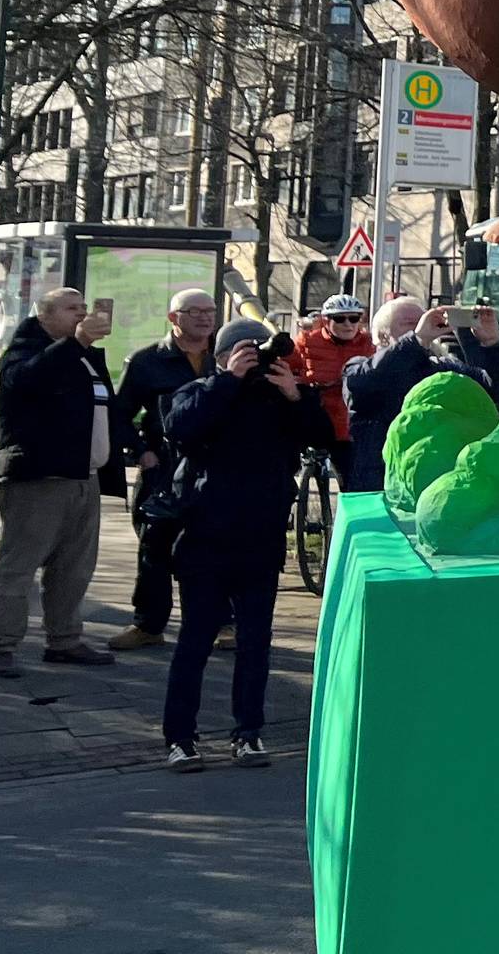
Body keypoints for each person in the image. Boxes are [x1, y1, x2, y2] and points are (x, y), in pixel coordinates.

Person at [158, 319, 332, 771]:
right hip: (206, 538)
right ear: (224, 356)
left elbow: (322, 436)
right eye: (246, 352)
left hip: (261, 538)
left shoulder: (280, 397)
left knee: (256, 643)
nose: (257, 361)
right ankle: (181, 738)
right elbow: (181, 429)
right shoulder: (200, 390)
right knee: (195, 641)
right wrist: (228, 381)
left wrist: (294, 394)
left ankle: (248, 733)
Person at [0, 288, 134, 678]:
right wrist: (78, 341)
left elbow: (105, 408)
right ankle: (0, 644)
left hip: (84, 477)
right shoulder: (26, 349)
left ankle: (64, 639)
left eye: (84, 307)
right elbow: (26, 382)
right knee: (19, 566)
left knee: (74, 567)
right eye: (72, 308)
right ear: (45, 315)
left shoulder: (81, 356)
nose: (82, 314)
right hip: (38, 479)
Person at [107, 289, 222, 651]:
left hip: (214, 470)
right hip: (164, 468)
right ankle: (148, 625)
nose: (205, 318)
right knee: (154, 549)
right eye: (195, 312)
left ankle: (220, 623)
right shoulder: (146, 361)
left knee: (213, 548)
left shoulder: (224, 357)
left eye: (210, 311)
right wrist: (141, 452)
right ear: (174, 318)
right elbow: (118, 415)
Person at [341, 297, 499, 492]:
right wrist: (417, 340)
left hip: (439, 483)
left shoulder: (442, 368)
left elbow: (498, 387)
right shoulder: (359, 367)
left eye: (423, 320)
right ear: (383, 336)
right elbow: (361, 383)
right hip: (380, 484)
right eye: (410, 324)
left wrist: (491, 342)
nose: (423, 327)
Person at [291, 294, 376, 483]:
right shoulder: (307, 342)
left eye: (354, 318)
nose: (348, 324)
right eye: (340, 318)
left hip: (347, 423)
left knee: (352, 479)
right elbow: (287, 366)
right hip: (315, 415)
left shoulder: (368, 345)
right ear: (326, 320)